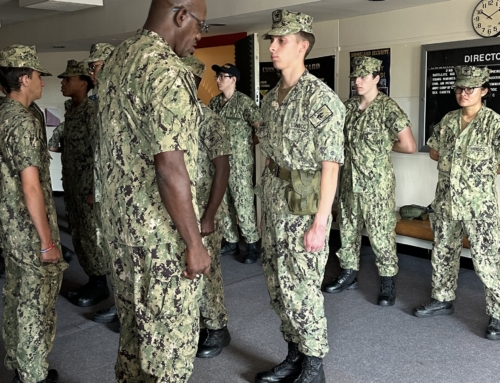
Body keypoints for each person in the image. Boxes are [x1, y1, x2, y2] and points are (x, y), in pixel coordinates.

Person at [96, 0, 210, 381]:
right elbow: (170, 168)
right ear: (181, 16)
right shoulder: (164, 69)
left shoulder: (116, 59)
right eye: (200, 26)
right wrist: (194, 244)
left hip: (121, 233)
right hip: (161, 241)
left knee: (134, 338)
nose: (199, 36)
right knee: (169, 353)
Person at [255, 9, 345, 383]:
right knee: (277, 285)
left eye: (281, 41)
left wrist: (320, 224)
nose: (273, 47)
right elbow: (270, 154)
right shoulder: (272, 96)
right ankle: (293, 355)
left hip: (305, 206)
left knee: (303, 289)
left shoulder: (320, 99)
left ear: (302, 46)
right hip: (275, 200)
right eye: (272, 41)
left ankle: (313, 366)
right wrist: (263, 211)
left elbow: (331, 166)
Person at [413, 65, 500, 340]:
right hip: (446, 203)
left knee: (488, 260)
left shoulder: (494, 123)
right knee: (443, 252)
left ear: (484, 91)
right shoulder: (449, 120)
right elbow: (434, 152)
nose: (463, 93)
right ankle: (442, 299)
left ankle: (497, 313)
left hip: (479, 207)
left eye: (470, 89)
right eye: (459, 88)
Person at [323, 56, 416, 306]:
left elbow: (408, 145)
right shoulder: (348, 107)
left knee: (380, 234)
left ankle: (387, 281)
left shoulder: (388, 108)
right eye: (355, 76)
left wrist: (381, 145)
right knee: (348, 230)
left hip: (377, 186)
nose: (358, 81)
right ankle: (348, 273)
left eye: (364, 76)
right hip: (349, 183)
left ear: (377, 78)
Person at [0, 44, 68, 383]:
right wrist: (46, 243)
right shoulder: (24, 122)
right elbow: (31, 187)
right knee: (35, 304)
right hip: (29, 231)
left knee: (16, 296)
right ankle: (33, 375)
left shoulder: (2, 113)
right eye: (39, 75)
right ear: (25, 78)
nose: (43, 81)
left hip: (9, 227)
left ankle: (18, 364)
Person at [182, 55, 232, 358]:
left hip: (203, 211)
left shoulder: (209, 120)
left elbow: (222, 169)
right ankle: (194, 324)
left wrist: (210, 214)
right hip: (181, 211)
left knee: (208, 272)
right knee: (186, 270)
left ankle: (217, 327)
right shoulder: (170, 118)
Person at [49, 59, 110, 307]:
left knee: (92, 237)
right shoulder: (72, 110)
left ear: (83, 83)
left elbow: (101, 152)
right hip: (73, 184)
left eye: (68, 79)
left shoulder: (92, 112)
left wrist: (96, 189)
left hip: (88, 188)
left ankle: (100, 284)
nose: (62, 83)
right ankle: (92, 279)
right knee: (79, 235)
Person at [209, 63, 261, 264]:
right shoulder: (214, 104)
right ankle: (231, 240)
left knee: (243, 201)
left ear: (233, 79)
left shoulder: (244, 103)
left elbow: (260, 128)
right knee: (224, 201)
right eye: (218, 76)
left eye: (223, 76)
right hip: (219, 162)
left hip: (239, 164)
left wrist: (247, 144)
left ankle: (251, 243)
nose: (218, 80)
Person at [83, 42, 119, 324]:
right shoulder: (99, 97)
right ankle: (120, 303)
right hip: (104, 187)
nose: (91, 72)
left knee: (123, 254)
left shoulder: (123, 96)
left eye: (95, 66)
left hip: (122, 193)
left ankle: (126, 310)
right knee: (107, 248)